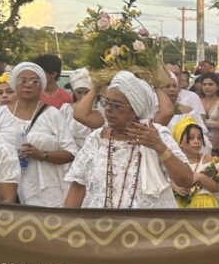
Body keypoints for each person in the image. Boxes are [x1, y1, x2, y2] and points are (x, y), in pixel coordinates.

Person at [64, 71, 193, 209]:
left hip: (149, 227)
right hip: (100, 226)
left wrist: (158, 146)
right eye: (106, 102)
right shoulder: (96, 138)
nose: (108, 109)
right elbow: (78, 187)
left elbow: (186, 180)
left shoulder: (157, 135)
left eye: (116, 105)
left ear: (136, 109)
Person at [0, 62, 76, 206]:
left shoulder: (53, 115)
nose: (28, 84)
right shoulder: (0, 114)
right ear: (14, 84)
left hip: (45, 194)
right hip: (6, 189)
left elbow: (71, 153)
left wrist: (42, 154)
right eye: (22, 80)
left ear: (42, 86)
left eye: (34, 81)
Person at [171, 118, 219, 209]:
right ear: (179, 142)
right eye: (191, 138)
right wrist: (176, 188)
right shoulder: (174, 162)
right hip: (182, 205)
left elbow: (217, 188)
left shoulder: (207, 159)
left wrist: (200, 177)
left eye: (199, 138)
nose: (196, 141)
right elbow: (167, 180)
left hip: (206, 205)